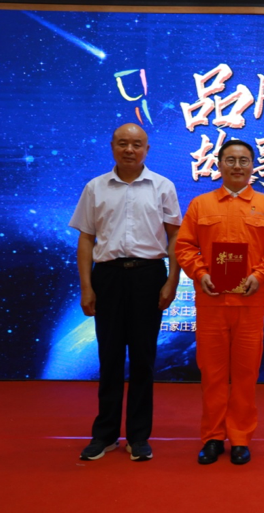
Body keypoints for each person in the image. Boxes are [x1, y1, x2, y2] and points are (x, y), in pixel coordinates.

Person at [70, 123, 181, 462]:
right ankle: (104, 435)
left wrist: (172, 281)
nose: (129, 149)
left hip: (149, 276)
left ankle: (138, 436)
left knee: (144, 359)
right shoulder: (95, 187)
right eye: (122, 143)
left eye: (136, 144)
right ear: (112, 147)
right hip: (108, 277)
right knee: (110, 357)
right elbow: (86, 238)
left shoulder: (162, 186)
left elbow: (175, 237)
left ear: (147, 149)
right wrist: (87, 286)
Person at [175, 139, 264, 466]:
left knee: (245, 374)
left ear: (253, 166)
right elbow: (184, 246)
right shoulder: (201, 204)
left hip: (250, 304)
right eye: (230, 160)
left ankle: (240, 437)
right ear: (219, 164)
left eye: (243, 160)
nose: (237, 166)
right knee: (211, 374)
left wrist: (260, 275)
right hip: (211, 303)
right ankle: (212, 437)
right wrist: (200, 273)